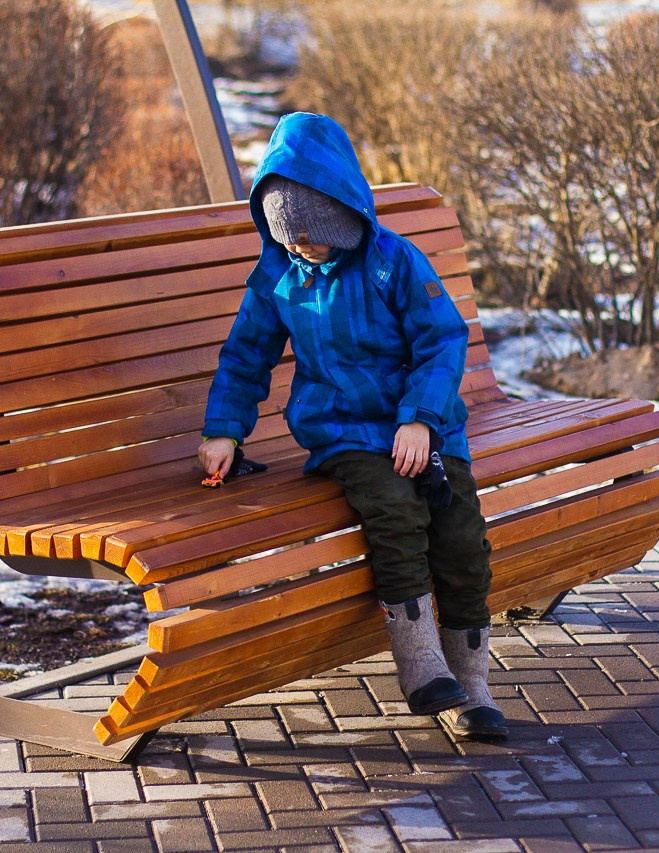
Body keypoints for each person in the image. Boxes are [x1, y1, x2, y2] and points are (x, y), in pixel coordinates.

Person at [198, 112, 506, 741]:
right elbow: (246, 355)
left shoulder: (395, 262)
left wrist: (420, 419)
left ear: (344, 214)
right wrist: (225, 428)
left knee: (462, 538)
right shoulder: (278, 278)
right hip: (344, 428)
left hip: (426, 424)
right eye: (289, 238)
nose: (301, 248)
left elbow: (442, 339)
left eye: (312, 236)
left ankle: (473, 687)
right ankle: (422, 669)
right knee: (396, 514)